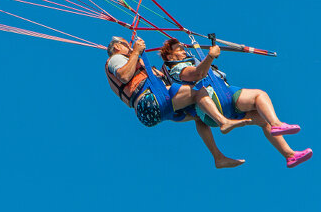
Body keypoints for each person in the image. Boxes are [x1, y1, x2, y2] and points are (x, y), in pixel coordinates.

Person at [159, 38, 313, 169]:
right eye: (179, 49)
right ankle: (275, 124)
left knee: (262, 111)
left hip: (225, 96)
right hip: (213, 103)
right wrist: (210, 57)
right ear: (170, 55)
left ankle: (289, 153)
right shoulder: (176, 69)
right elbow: (198, 74)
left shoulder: (192, 62)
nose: (184, 50)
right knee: (260, 96)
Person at [105, 36, 248, 168]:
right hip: (149, 101)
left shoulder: (127, 60)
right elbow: (124, 76)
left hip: (149, 112)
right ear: (117, 46)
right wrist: (136, 51)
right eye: (127, 45)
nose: (130, 47)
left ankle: (219, 157)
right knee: (198, 90)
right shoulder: (116, 58)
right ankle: (223, 121)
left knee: (200, 112)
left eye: (131, 46)